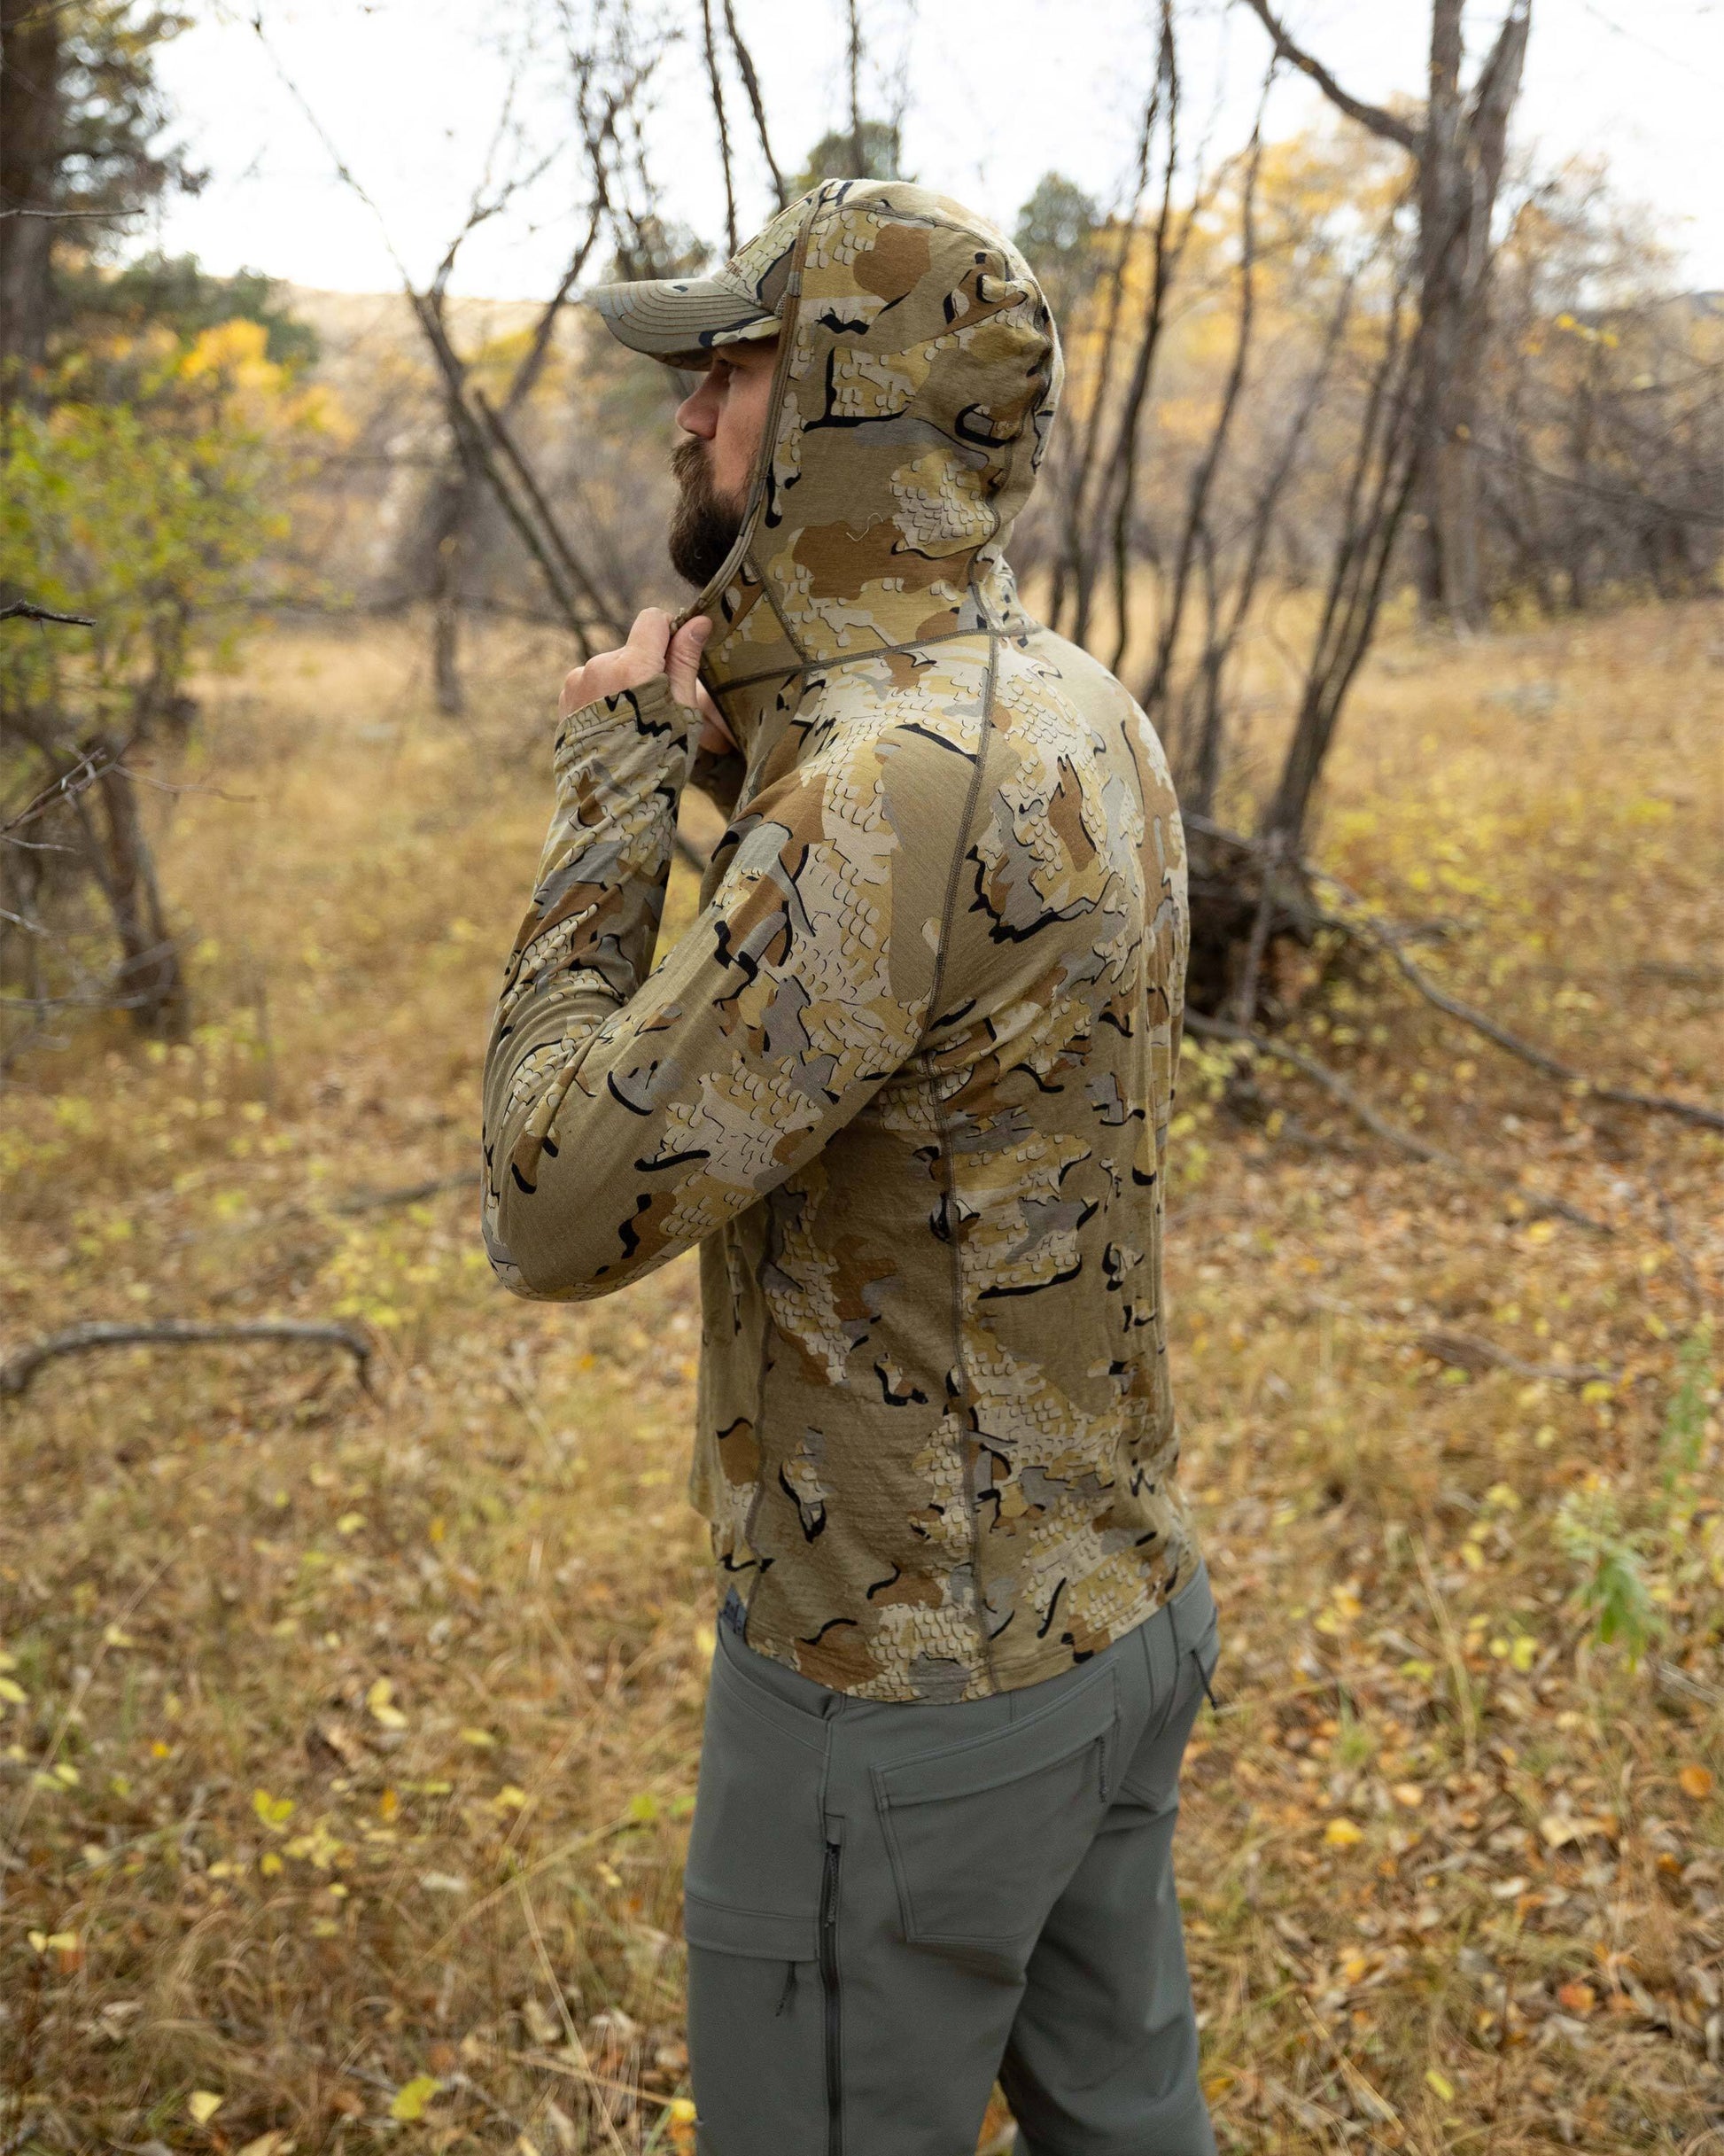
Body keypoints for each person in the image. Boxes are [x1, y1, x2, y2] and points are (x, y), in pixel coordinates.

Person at [480, 179, 1217, 2156]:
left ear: (834, 409)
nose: (684, 411)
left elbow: (550, 1206)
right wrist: (744, 735)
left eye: (725, 370)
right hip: (1110, 1617)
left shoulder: (878, 794)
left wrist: (618, 791)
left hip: (903, 1706)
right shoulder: (1066, 701)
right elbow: (906, 984)